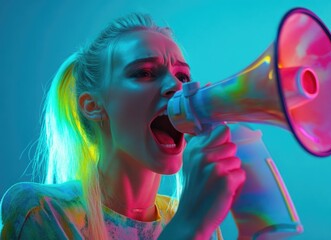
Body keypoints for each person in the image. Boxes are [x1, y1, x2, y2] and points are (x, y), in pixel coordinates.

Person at [0, 13, 246, 239]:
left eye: (183, 76)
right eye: (145, 73)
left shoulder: (187, 216)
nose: (177, 86)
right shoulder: (41, 210)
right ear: (93, 105)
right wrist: (189, 224)